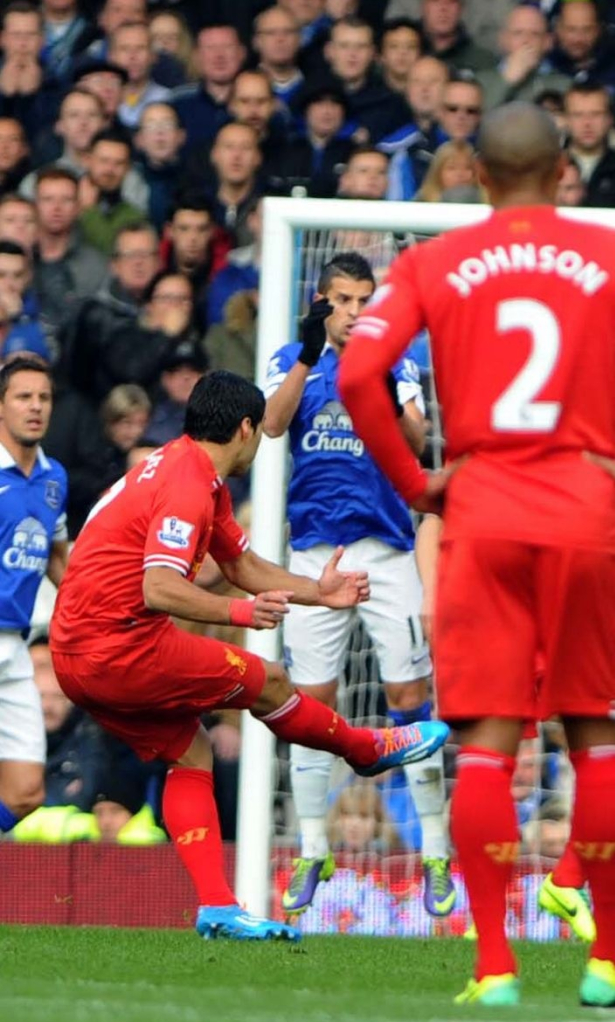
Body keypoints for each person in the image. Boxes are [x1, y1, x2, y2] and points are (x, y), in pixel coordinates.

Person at [336, 103, 615, 1007]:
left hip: (482, 509)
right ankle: (608, 963)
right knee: (599, 737)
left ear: (476, 174)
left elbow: (358, 372)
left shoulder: (431, 261)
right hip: (586, 509)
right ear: (563, 172)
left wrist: (418, 484)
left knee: (486, 746)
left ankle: (493, 966)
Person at [48, 371, 451, 941]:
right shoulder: (187, 485)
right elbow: (158, 587)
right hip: (118, 645)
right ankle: (365, 749)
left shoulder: (189, 470)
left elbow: (241, 566)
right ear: (245, 428)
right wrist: (240, 613)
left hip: (75, 656)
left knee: (191, 752)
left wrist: (319, 592)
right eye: (261, 430)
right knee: (271, 680)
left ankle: (218, 906)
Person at [260, 253, 452, 921]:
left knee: (410, 699)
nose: (354, 311)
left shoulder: (397, 360)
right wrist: (309, 359)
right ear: (321, 302)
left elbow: (417, 441)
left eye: (364, 299)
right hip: (315, 555)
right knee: (312, 707)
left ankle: (435, 851)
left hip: (388, 552)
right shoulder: (291, 358)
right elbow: (273, 424)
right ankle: (313, 848)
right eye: (342, 300)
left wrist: (380, 378)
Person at [0, 358, 69, 837]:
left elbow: (58, 558)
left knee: (26, 792)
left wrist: (99, 611)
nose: (36, 407)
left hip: (17, 644)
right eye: (23, 397)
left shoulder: (54, 478)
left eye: (43, 397)